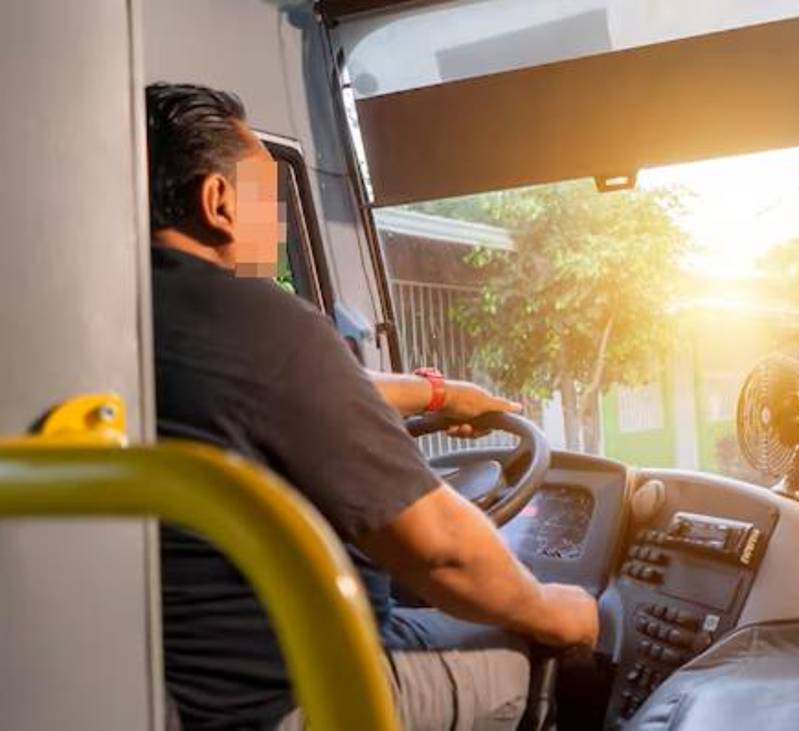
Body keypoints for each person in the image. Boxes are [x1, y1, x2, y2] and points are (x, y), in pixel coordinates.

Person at [147, 82, 598, 730]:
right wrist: (561, 610)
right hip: (286, 700)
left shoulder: (131, 320)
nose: (277, 225)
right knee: (518, 652)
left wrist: (438, 394)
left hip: (169, 699)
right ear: (218, 202)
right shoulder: (257, 317)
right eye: (268, 199)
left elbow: (288, 388)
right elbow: (444, 552)